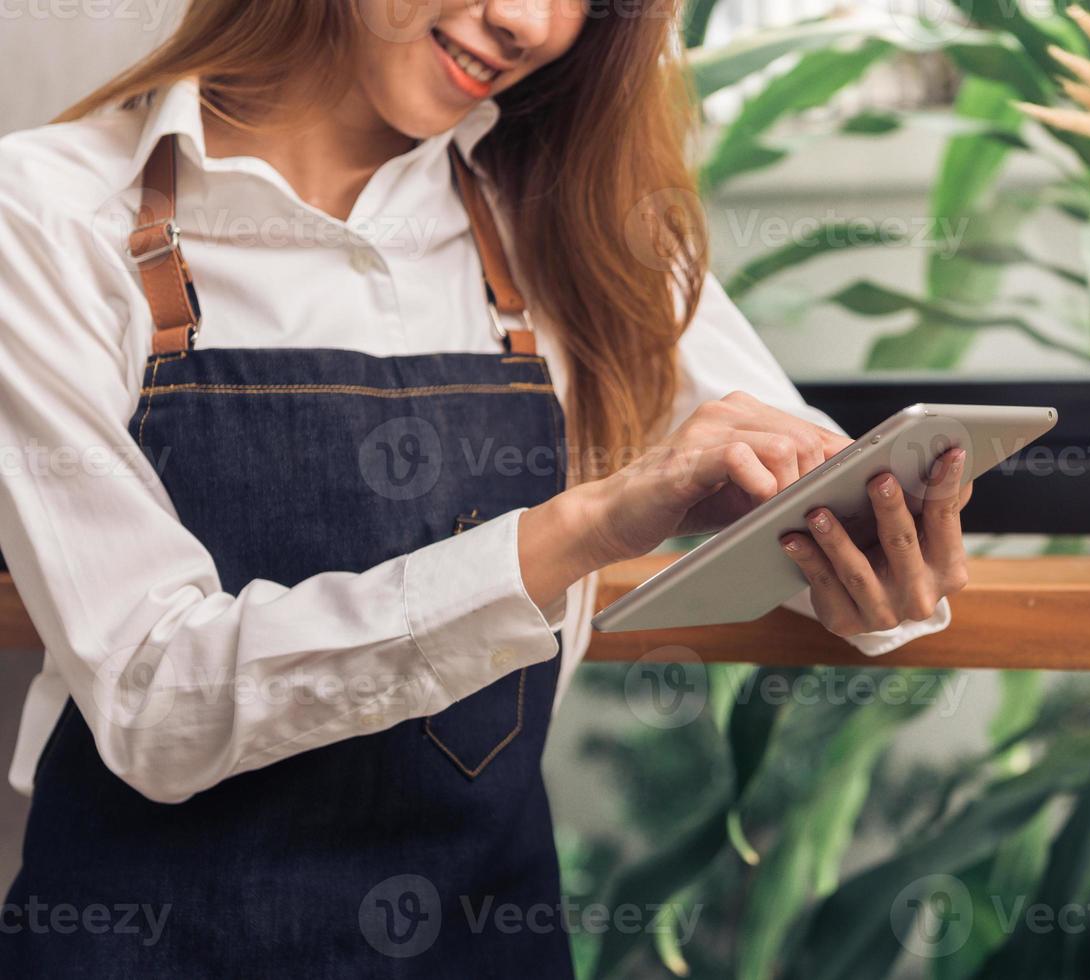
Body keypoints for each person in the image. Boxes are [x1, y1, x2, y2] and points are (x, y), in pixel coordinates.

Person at [0, 0, 968, 972]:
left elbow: (831, 482)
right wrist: (581, 524)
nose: (528, 21)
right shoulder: (45, 211)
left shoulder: (572, 221)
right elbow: (157, 704)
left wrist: (876, 565)